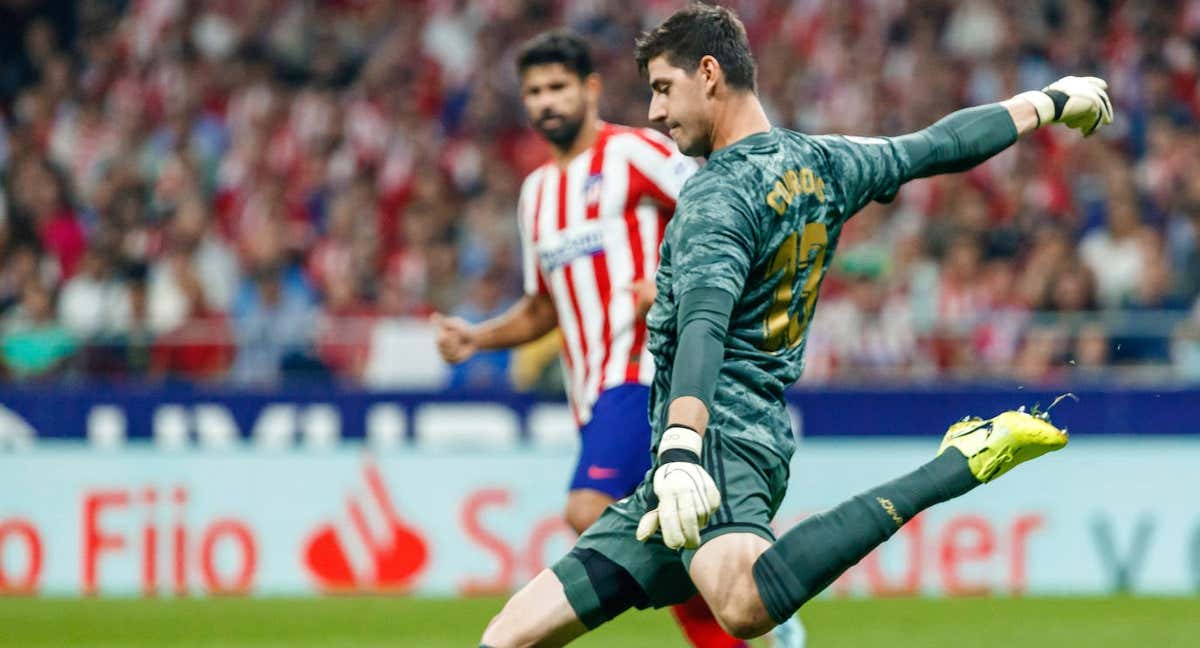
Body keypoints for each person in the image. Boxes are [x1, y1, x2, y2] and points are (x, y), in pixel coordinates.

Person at [478, 5, 1113, 646]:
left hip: (715, 444)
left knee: (744, 603)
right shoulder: (823, 162)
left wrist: (678, 449)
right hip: (692, 459)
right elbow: (937, 146)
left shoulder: (716, 196)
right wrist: (1049, 101)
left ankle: (957, 463)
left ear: (708, 74)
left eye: (663, 88)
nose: (653, 111)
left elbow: (704, 324)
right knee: (508, 638)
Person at [434, 29, 804, 648]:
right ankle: (750, 608)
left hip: (642, 371)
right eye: (534, 92)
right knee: (662, 530)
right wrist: (478, 337)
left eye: (558, 87)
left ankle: (753, 604)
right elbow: (541, 308)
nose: (546, 101)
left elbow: (718, 210)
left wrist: (672, 284)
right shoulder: (535, 196)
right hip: (590, 391)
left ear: (591, 89)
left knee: (588, 509)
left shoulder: (634, 153)